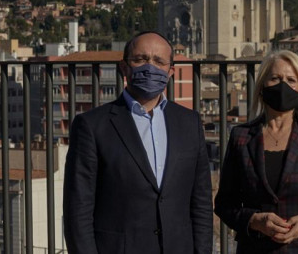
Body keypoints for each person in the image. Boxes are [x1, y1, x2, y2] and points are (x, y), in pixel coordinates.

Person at [63, 31, 212, 254]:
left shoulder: (189, 122)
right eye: (140, 59)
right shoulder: (92, 126)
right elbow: (78, 210)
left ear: (171, 72)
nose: (150, 67)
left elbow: (201, 203)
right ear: (124, 67)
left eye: (159, 61)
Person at [215, 50, 298, 254]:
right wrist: (254, 220)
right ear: (261, 87)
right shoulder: (241, 136)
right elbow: (225, 203)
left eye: (291, 80)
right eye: (275, 79)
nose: (283, 86)